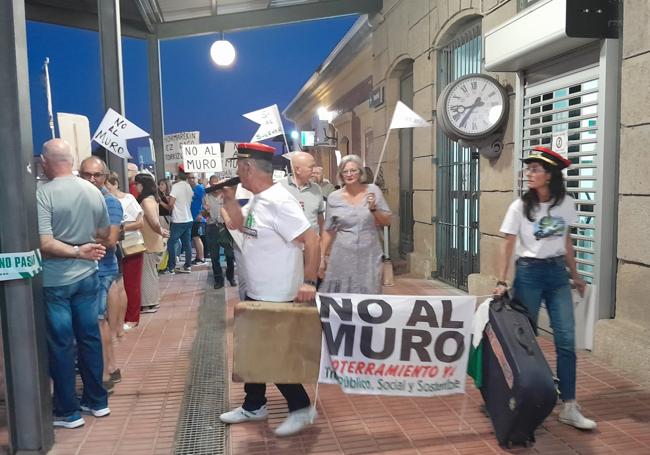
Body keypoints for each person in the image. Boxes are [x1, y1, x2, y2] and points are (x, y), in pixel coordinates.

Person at [219, 142, 320, 437]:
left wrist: (309, 282)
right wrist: (227, 200)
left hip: (279, 295)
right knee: (253, 352)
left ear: (248, 168)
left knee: (274, 355)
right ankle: (254, 405)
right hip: (258, 293)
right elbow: (239, 226)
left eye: (238, 165)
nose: (236, 171)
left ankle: (302, 409)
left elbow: (311, 240)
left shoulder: (279, 201)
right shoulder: (256, 199)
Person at [493, 146, 596, 431]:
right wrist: (502, 280)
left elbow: (567, 242)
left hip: (556, 275)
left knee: (566, 340)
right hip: (528, 274)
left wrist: (575, 275)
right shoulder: (519, 206)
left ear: (549, 175)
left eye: (535, 169)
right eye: (528, 168)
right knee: (526, 340)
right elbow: (508, 243)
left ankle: (570, 406)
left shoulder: (566, 204)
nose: (529, 173)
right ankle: (525, 397)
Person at [37, 139, 110, 428]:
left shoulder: (43, 194)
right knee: (89, 338)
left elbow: (45, 243)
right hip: (87, 275)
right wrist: (85, 245)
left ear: (46, 162)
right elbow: (104, 232)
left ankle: (68, 411)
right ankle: (97, 401)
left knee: (61, 344)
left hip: (55, 280)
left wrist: (75, 249)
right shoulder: (93, 190)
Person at [79, 156, 123, 393]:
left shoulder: (110, 202)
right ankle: (110, 368)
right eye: (87, 174)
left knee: (97, 321)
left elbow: (111, 240)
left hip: (103, 268)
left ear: (105, 177)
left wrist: (76, 240)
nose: (92, 179)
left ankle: (107, 370)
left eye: (97, 175)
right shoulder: (83, 198)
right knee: (97, 321)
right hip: (87, 268)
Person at [318, 155, 391, 293]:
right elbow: (328, 230)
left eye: (353, 170)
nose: (349, 174)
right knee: (341, 293)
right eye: (345, 171)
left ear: (360, 172)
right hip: (342, 255)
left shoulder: (373, 191)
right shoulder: (334, 197)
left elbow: (386, 221)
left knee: (369, 294)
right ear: (340, 174)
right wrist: (322, 257)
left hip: (369, 254)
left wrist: (374, 209)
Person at [106, 172, 144, 331]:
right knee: (117, 284)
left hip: (131, 245)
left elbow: (140, 222)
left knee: (131, 284)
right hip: (114, 247)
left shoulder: (129, 199)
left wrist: (121, 227)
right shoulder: (104, 201)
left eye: (108, 185)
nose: (106, 189)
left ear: (115, 183)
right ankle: (120, 318)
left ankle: (132, 318)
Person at [136, 174, 168, 313]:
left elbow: (153, 221)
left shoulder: (147, 201)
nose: (136, 186)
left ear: (142, 185)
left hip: (150, 242)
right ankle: (151, 302)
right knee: (150, 273)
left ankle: (149, 303)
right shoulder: (152, 199)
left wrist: (160, 231)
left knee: (147, 275)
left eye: (137, 183)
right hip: (152, 241)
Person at [279, 151, 325, 234]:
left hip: (312, 244)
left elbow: (320, 218)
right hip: (287, 244)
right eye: (311, 167)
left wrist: (322, 242)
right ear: (297, 170)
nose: (314, 170)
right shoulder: (279, 187)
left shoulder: (316, 189)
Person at [203, 175, 236, 289]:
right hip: (212, 227)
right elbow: (204, 214)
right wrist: (205, 212)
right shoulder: (206, 196)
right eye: (213, 184)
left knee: (230, 255)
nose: (216, 186)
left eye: (217, 184)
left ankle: (231, 276)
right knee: (214, 256)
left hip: (225, 227)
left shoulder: (226, 195)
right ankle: (218, 279)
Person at [164, 166, 194, 274]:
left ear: (178, 173)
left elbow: (171, 204)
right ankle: (188, 266)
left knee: (171, 242)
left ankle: (171, 267)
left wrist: (161, 202)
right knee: (187, 244)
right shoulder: (189, 187)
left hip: (179, 220)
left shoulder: (176, 186)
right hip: (188, 219)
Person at [188, 174, 206, 264]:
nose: (191, 180)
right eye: (189, 178)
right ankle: (198, 257)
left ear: (197, 178)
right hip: (191, 218)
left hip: (198, 218)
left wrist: (201, 214)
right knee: (195, 238)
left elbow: (206, 202)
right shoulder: (190, 189)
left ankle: (201, 258)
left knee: (197, 237)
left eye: (193, 178)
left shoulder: (200, 188)